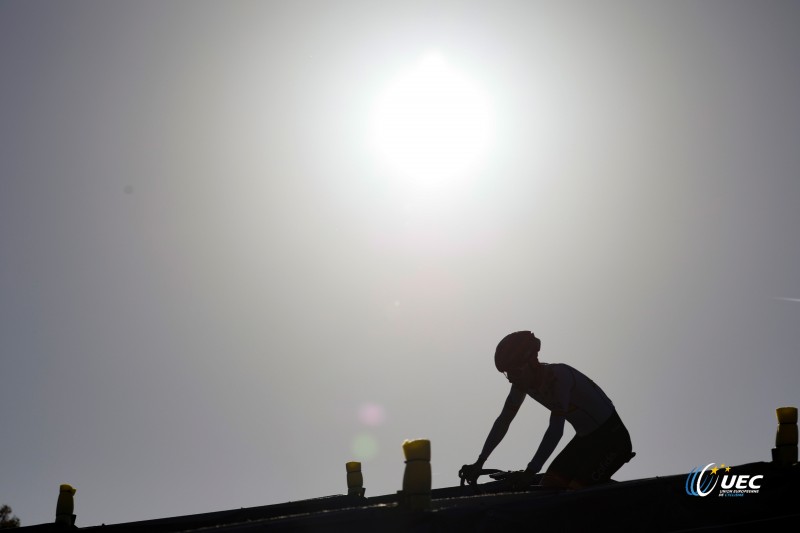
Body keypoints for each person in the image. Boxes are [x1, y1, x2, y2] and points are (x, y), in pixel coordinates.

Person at [459, 330, 634, 489]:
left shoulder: (558, 377)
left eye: (515, 372)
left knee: (573, 494)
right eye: (508, 374)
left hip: (613, 440)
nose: (512, 379)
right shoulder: (522, 384)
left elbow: (555, 430)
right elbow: (504, 421)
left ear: (532, 363)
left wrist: (530, 471)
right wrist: (479, 462)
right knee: (548, 487)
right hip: (585, 440)